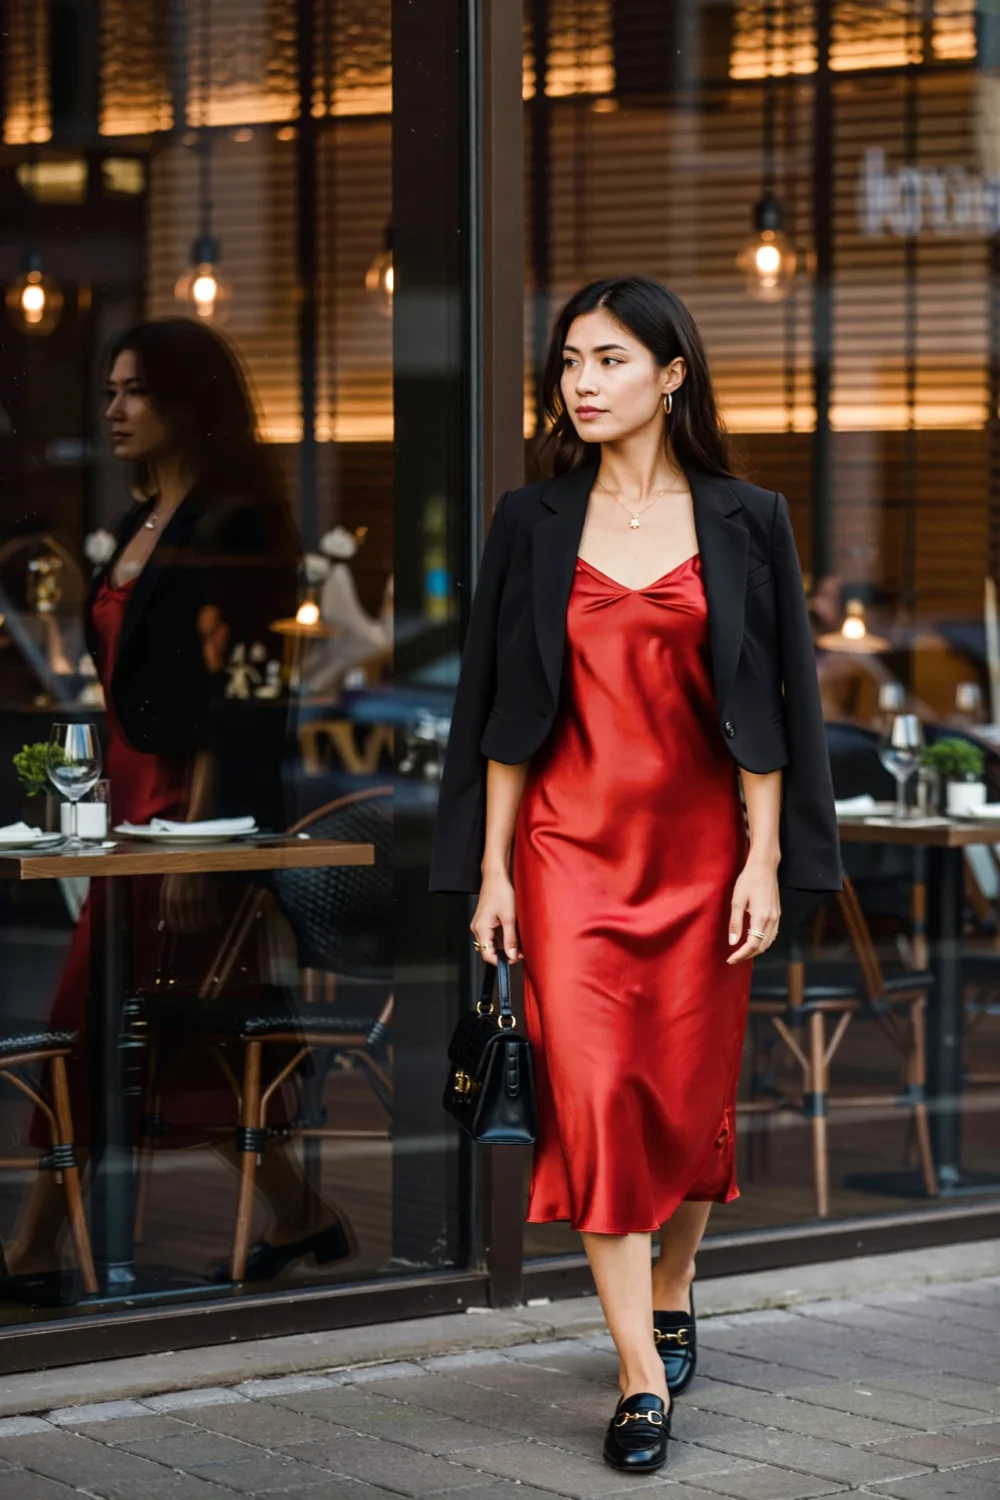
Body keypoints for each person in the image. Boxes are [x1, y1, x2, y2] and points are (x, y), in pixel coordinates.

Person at [429, 276, 841, 1474]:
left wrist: (765, 856)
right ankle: (640, 1374)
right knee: (601, 1102)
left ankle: (676, 1278)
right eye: (567, 363)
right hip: (565, 853)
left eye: (607, 360)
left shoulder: (747, 516)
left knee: (689, 1099)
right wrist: (493, 869)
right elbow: (501, 711)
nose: (581, 383)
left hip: (703, 854)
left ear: (671, 374)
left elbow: (769, 705)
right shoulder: (531, 518)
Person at [6, 319, 353, 1286]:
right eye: (110, 390)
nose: (113, 410)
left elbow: (238, 700)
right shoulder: (130, 528)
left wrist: (201, 844)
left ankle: (34, 1246)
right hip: (125, 808)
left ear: (190, 404)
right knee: (173, 1032)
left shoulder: (233, 524)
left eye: (134, 392)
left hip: (185, 817)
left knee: (95, 1020)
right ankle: (300, 1215)